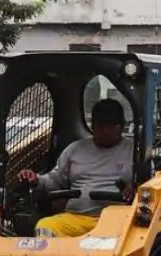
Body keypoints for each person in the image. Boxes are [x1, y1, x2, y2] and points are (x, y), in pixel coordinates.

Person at [15, 98, 135, 237]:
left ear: (121, 126)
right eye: (101, 126)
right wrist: (36, 179)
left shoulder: (134, 152)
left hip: (118, 220)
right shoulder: (75, 150)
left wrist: (136, 187)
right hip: (77, 218)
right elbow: (54, 180)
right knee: (45, 227)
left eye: (112, 127)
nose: (106, 131)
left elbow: (150, 186)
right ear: (93, 126)